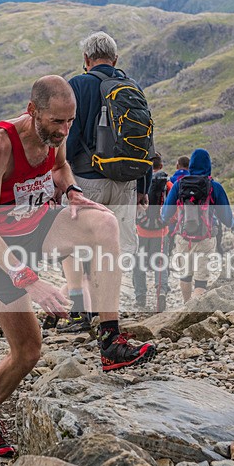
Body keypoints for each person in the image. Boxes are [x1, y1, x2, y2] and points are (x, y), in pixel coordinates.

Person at [0, 75, 157, 457]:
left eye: (70, 121)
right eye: (56, 122)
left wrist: (72, 191)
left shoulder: (57, 131)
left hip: (38, 225)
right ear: (33, 111)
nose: (64, 129)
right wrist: (30, 280)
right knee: (28, 352)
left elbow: (62, 167)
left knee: (104, 222)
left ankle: (110, 340)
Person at [56, 31, 154, 333]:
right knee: (112, 248)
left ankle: (79, 311)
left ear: (86, 59)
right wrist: (143, 187)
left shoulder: (77, 85)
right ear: (116, 59)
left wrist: (62, 178)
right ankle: (107, 317)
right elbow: (144, 141)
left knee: (72, 244)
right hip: (125, 181)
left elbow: (66, 136)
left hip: (86, 180)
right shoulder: (132, 87)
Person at [162, 148, 234, 303]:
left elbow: (166, 213)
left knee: (185, 275)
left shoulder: (179, 184)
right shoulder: (214, 187)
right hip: (206, 238)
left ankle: (186, 305)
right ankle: (192, 310)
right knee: (201, 281)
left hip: (183, 238)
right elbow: (226, 218)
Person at [133, 153, 171, 310]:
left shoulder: (139, 181)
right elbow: (174, 206)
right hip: (161, 232)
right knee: (161, 264)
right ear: (161, 166)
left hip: (141, 231)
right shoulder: (167, 184)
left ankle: (140, 297)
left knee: (139, 265)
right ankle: (161, 292)